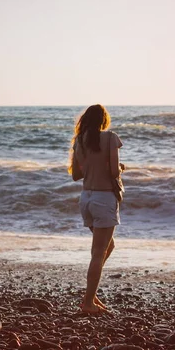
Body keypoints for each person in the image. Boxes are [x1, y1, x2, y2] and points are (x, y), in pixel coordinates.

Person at [69, 104, 124, 314]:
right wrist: (120, 168)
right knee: (98, 252)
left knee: (106, 248)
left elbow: (76, 175)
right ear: (104, 120)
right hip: (104, 198)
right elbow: (113, 171)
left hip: (87, 199)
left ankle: (90, 296)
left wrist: (92, 167)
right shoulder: (110, 138)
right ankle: (88, 304)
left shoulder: (79, 141)